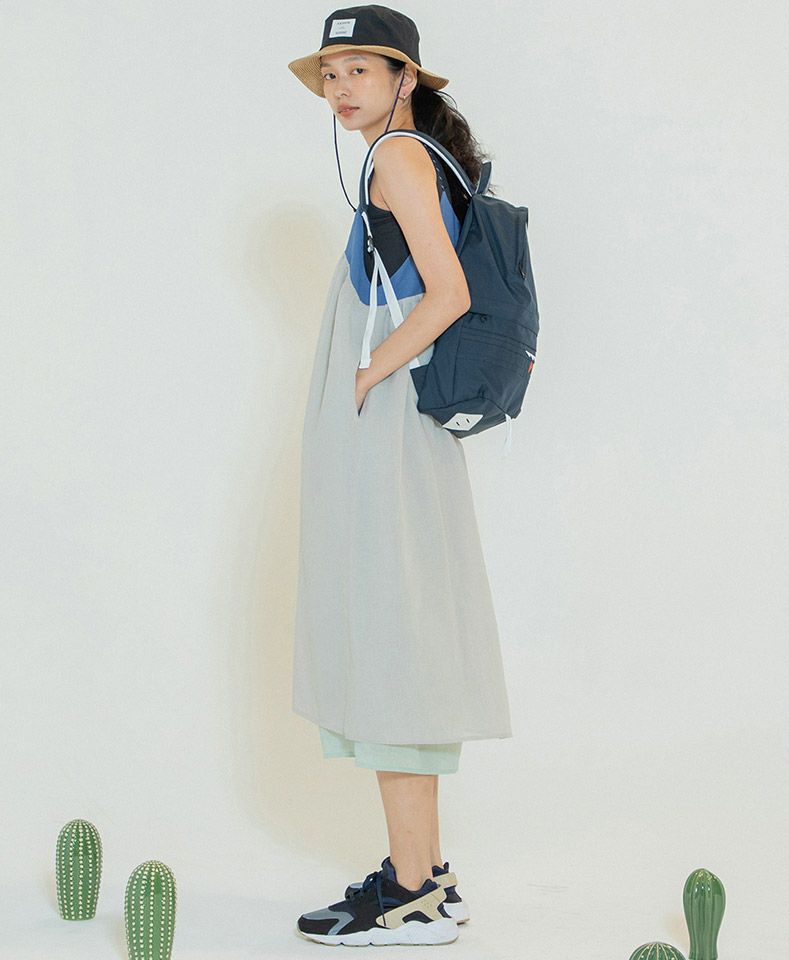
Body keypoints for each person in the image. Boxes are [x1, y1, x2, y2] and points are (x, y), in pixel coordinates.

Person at [287, 4, 513, 946]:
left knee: (392, 640)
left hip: (389, 429)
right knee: (402, 630)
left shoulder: (397, 158)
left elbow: (447, 292)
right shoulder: (418, 156)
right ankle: (424, 877)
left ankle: (413, 894)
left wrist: (370, 372)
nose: (341, 89)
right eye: (331, 73)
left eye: (360, 71)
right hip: (404, 432)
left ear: (405, 79)